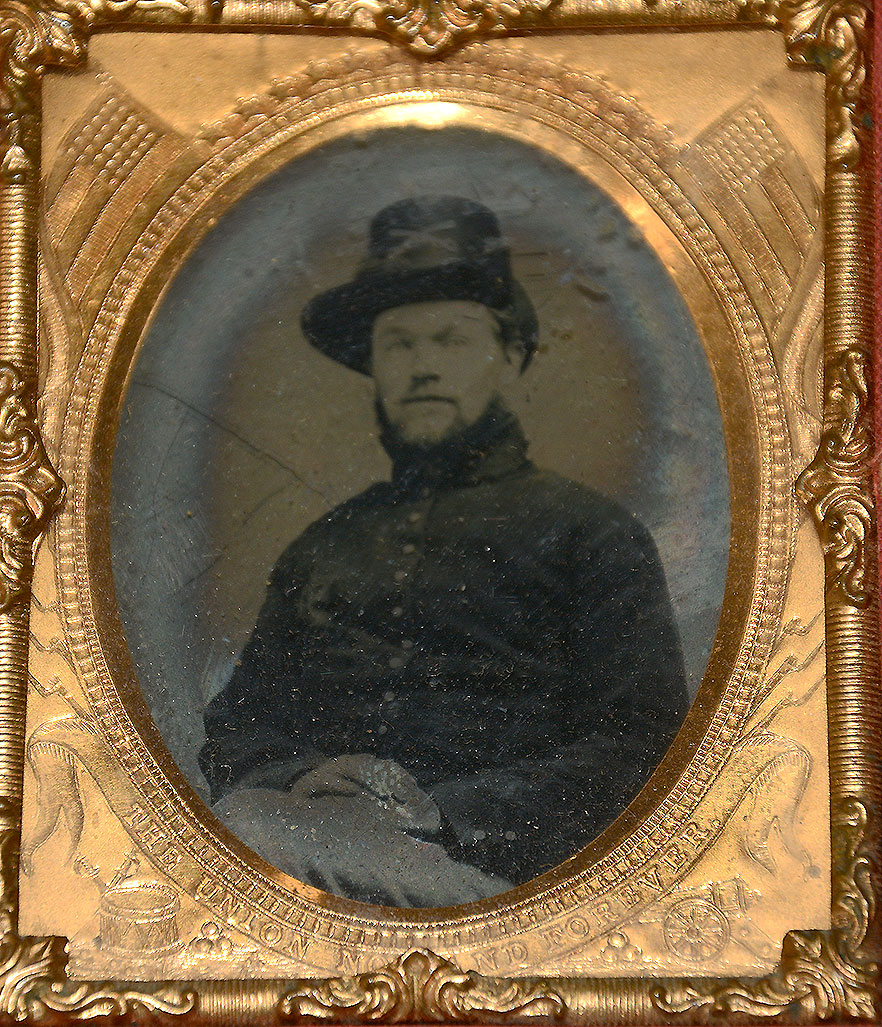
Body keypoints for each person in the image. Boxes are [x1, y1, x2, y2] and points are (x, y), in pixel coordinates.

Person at [199, 196, 688, 907]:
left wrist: (451, 811)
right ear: (373, 364)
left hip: (505, 879)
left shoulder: (592, 533)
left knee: (249, 844)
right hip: (318, 839)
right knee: (247, 823)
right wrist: (301, 772)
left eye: (452, 340)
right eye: (399, 344)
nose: (422, 366)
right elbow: (241, 723)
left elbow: (641, 746)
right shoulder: (324, 544)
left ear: (509, 357)